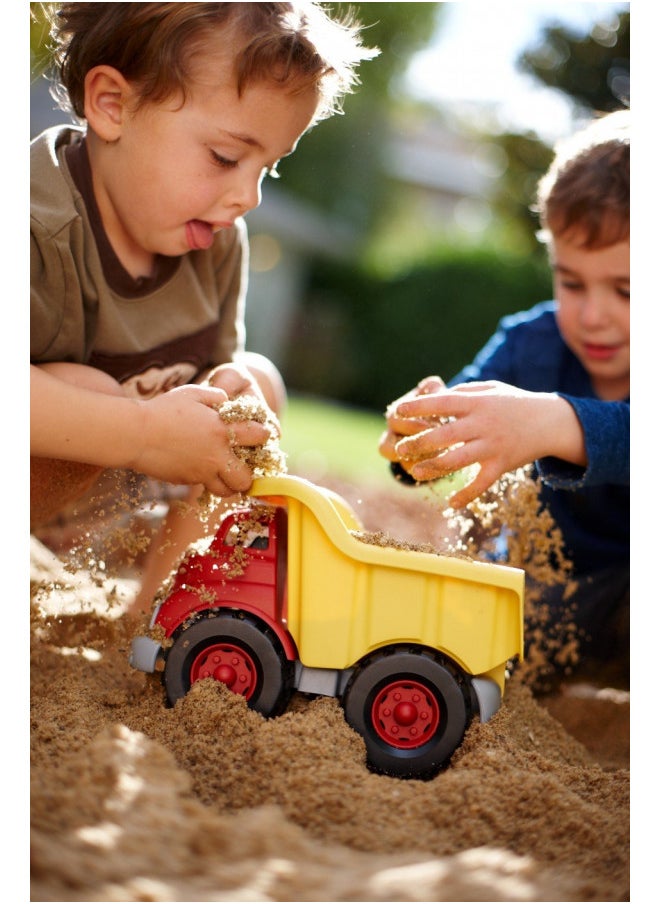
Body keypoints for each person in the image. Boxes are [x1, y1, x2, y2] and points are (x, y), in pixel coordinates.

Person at [31, 2, 376, 612]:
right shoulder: (33, 224)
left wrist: (230, 384)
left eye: (267, 168)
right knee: (84, 386)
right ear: (112, 105)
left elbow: (218, 381)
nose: (247, 196)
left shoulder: (215, 244)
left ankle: (157, 618)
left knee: (257, 388)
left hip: (96, 513)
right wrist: (139, 432)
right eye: (224, 158)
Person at [379, 110, 630, 671]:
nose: (593, 315)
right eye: (571, 282)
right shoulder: (529, 345)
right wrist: (417, 440)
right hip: (548, 601)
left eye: (627, 291)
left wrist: (552, 421)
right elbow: (449, 428)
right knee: (460, 638)